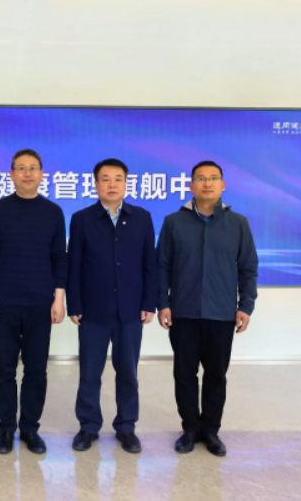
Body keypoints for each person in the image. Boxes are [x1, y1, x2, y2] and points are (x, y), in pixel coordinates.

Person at [157, 160, 258, 457]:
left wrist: (245, 306)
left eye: (213, 178)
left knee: (216, 375)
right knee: (184, 374)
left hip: (222, 313)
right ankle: (190, 428)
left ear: (223, 185)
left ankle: (211, 430)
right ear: (191, 186)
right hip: (183, 312)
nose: (207, 183)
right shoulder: (173, 222)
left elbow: (248, 268)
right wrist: (162, 303)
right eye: (200, 178)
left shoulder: (238, 223)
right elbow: (162, 266)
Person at [67, 159, 157, 454]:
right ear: (96, 184)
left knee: (128, 372)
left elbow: (150, 264)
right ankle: (88, 426)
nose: (112, 184)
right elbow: (73, 265)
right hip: (93, 310)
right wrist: (74, 304)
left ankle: (126, 427)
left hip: (130, 310)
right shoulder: (82, 219)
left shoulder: (142, 218)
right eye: (105, 179)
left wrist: (149, 302)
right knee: (89, 373)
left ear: (126, 183)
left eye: (118, 178)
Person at [0, 149, 67, 455]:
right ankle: (6, 429)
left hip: (40, 304)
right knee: (3, 368)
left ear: (42, 174)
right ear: (12, 174)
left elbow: (60, 258)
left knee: (36, 370)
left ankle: (30, 428)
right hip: (4, 303)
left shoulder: (53, 212)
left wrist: (59, 299)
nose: (27, 173)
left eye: (33, 168)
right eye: (21, 168)